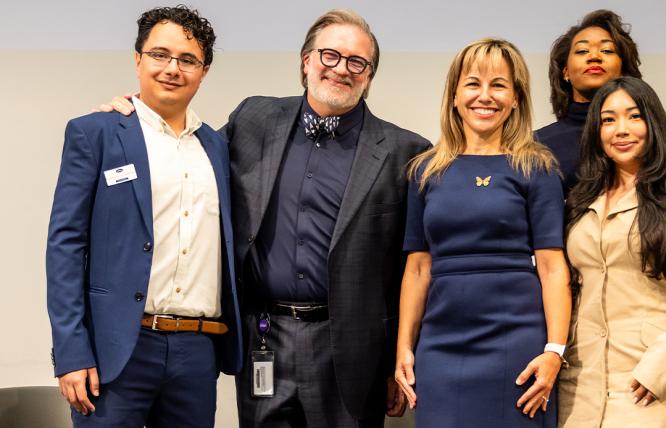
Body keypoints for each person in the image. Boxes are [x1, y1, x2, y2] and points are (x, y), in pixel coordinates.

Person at [105, 8, 430, 427]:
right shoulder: (254, 120)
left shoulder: (406, 153)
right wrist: (139, 119)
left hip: (351, 352)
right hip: (265, 338)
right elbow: (185, 159)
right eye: (329, 55)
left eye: (357, 62)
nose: (341, 69)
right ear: (306, 61)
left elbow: (415, 269)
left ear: (368, 76)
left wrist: (398, 358)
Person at [47, 6, 242, 427]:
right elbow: (65, 246)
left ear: (203, 71)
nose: (173, 68)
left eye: (187, 60)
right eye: (160, 54)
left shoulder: (217, 147)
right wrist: (71, 352)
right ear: (138, 60)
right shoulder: (96, 132)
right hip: (117, 348)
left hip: (196, 350)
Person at [394, 38, 571, 427]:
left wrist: (554, 351)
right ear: (454, 96)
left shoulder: (537, 168)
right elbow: (418, 268)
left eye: (499, 85)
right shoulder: (424, 172)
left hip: (517, 348)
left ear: (516, 99)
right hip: (440, 346)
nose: (485, 96)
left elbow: (552, 268)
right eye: (473, 83)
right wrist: (404, 347)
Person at [560, 76, 666, 427]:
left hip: (649, 379)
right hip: (580, 382)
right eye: (608, 120)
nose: (620, 130)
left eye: (634, 116)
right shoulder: (579, 199)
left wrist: (665, 364)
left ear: (653, 123)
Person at [535, 9, 666, 226]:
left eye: (607, 50)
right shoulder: (537, 145)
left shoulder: (659, 145)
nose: (594, 56)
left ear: (623, 70)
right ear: (565, 71)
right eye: (582, 51)